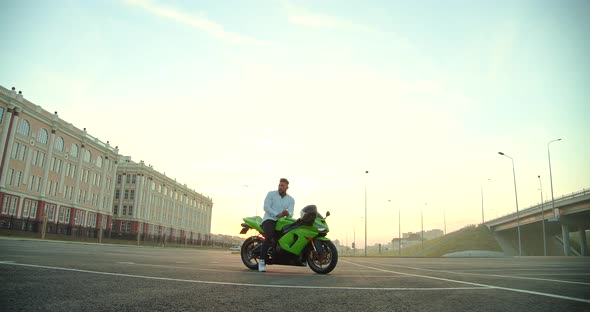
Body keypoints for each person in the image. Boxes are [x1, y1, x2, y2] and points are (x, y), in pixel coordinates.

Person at [258, 178, 295, 272]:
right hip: (269, 219)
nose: (280, 187)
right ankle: (261, 262)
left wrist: (287, 213)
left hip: (281, 221)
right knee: (269, 237)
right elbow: (266, 207)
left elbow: (291, 212)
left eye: (282, 185)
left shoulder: (291, 199)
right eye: (279, 185)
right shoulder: (271, 194)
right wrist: (277, 214)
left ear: (287, 187)